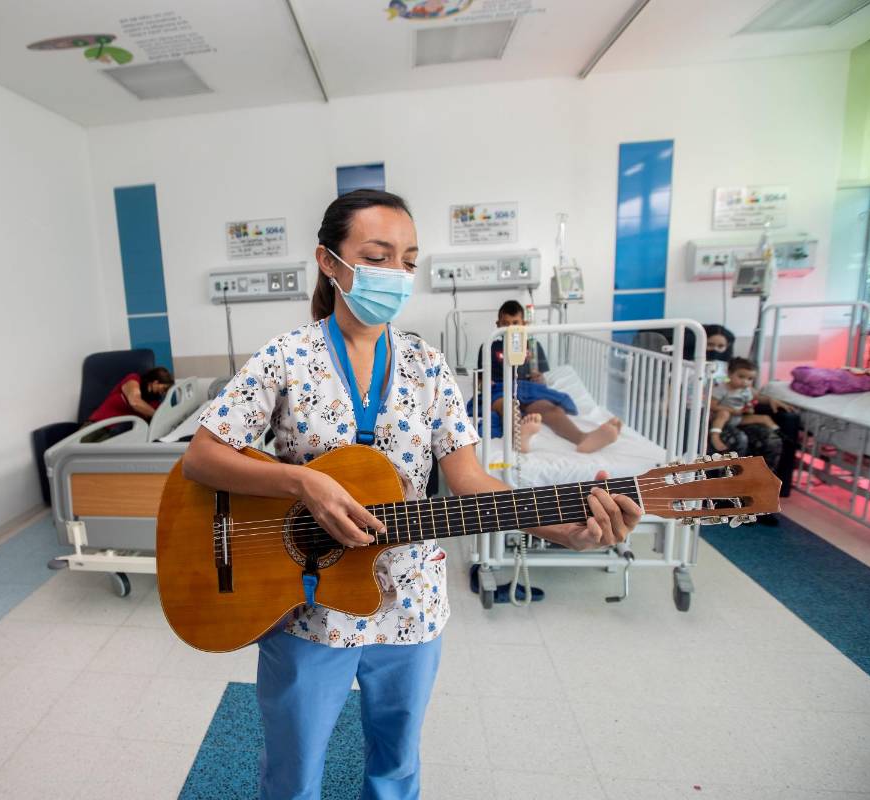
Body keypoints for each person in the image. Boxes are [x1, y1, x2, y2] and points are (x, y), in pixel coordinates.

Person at [181, 189, 642, 800]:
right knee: (293, 771)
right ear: (329, 262)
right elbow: (202, 457)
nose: (396, 274)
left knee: (396, 766)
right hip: (306, 603)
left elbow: (470, 481)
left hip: (410, 598)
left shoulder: (429, 366)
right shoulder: (285, 358)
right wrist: (302, 481)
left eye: (407, 261)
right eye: (378, 256)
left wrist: (566, 528)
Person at [478, 300, 621, 453]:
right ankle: (519, 438)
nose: (510, 328)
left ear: (524, 324)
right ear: (498, 325)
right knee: (509, 407)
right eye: (505, 324)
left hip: (529, 389)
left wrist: (540, 379)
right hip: (502, 389)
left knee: (551, 409)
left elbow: (542, 377)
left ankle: (583, 438)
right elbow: (480, 378)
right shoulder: (489, 347)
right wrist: (484, 382)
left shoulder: (533, 346)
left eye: (515, 323)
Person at [704, 324, 799, 498]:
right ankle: (727, 493)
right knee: (740, 438)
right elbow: (710, 401)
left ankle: (760, 492)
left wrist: (771, 400)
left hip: (740, 418)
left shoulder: (735, 373)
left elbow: (755, 394)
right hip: (719, 418)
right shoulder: (695, 369)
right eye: (710, 345)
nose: (715, 350)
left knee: (771, 439)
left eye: (720, 346)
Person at [709, 357, 782, 469]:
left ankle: (780, 434)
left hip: (739, 418)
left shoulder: (747, 390)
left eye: (750, 379)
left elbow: (754, 400)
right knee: (724, 413)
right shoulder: (722, 388)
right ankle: (715, 436)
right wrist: (732, 410)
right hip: (724, 418)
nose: (745, 381)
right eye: (741, 377)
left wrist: (751, 407)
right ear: (729, 373)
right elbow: (712, 405)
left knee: (765, 418)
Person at [79, 366, 173, 442]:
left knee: (93, 457)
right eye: (164, 388)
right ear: (155, 382)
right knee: (75, 450)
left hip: (117, 434)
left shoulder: (154, 403)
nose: (163, 393)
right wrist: (158, 415)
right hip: (97, 424)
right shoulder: (133, 380)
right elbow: (135, 402)